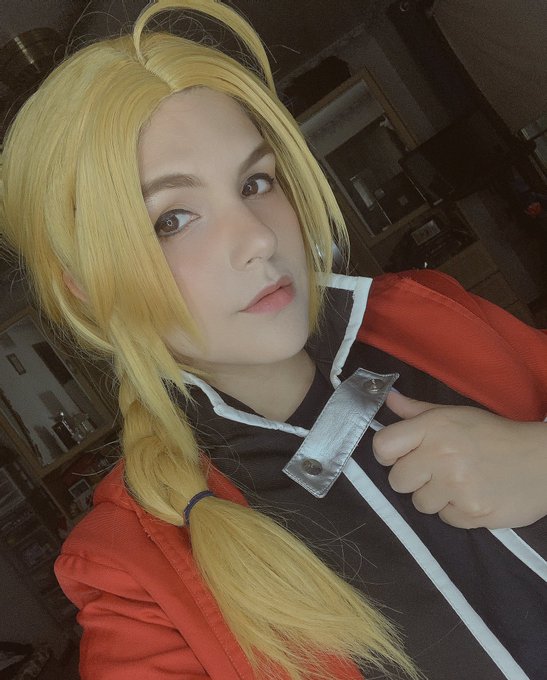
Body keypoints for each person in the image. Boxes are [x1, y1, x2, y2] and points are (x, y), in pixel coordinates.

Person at [0, 1, 545, 679]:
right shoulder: (131, 573)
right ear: (86, 286)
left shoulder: (430, 314)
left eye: (255, 182)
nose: (258, 238)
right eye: (171, 219)